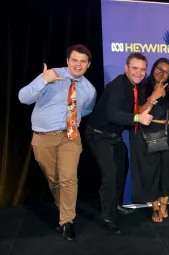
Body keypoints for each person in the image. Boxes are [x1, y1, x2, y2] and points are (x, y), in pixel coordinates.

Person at [18, 44, 97, 240]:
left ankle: (67, 221)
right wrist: (43, 80)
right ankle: (64, 211)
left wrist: (72, 121)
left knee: (69, 178)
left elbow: (86, 110)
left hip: (69, 137)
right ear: (67, 61)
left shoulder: (89, 89)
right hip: (43, 137)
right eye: (75, 60)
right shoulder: (51, 75)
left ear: (88, 64)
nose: (78, 65)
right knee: (54, 180)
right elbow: (23, 98)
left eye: (83, 61)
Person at [85, 52, 153, 234]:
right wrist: (138, 117)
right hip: (98, 135)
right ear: (126, 68)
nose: (139, 73)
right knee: (110, 174)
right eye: (134, 68)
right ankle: (108, 217)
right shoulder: (117, 86)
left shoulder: (135, 86)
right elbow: (112, 114)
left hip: (114, 137)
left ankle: (116, 205)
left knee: (121, 171)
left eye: (142, 69)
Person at [129, 57, 169, 223]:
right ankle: (154, 206)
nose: (162, 73)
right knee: (151, 171)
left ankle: (164, 205)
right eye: (159, 69)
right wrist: (153, 97)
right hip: (148, 132)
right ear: (152, 69)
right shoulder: (141, 87)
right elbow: (138, 112)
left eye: (166, 71)